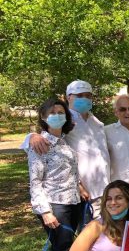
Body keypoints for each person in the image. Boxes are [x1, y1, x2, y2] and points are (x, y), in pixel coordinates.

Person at [26, 80, 110, 218]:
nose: (85, 98)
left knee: (104, 234)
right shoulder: (64, 120)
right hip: (83, 190)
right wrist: (31, 136)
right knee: (87, 234)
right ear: (69, 97)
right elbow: (48, 137)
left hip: (104, 185)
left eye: (88, 95)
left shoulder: (96, 121)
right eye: (80, 95)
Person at [28, 98, 84, 251]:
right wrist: (45, 212)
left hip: (73, 202)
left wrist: (80, 187)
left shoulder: (64, 142)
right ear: (43, 117)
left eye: (61, 112)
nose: (57, 116)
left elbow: (69, 172)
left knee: (60, 246)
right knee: (65, 249)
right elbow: (35, 181)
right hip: (55, 205)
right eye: (52, 113)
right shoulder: (39, 144)